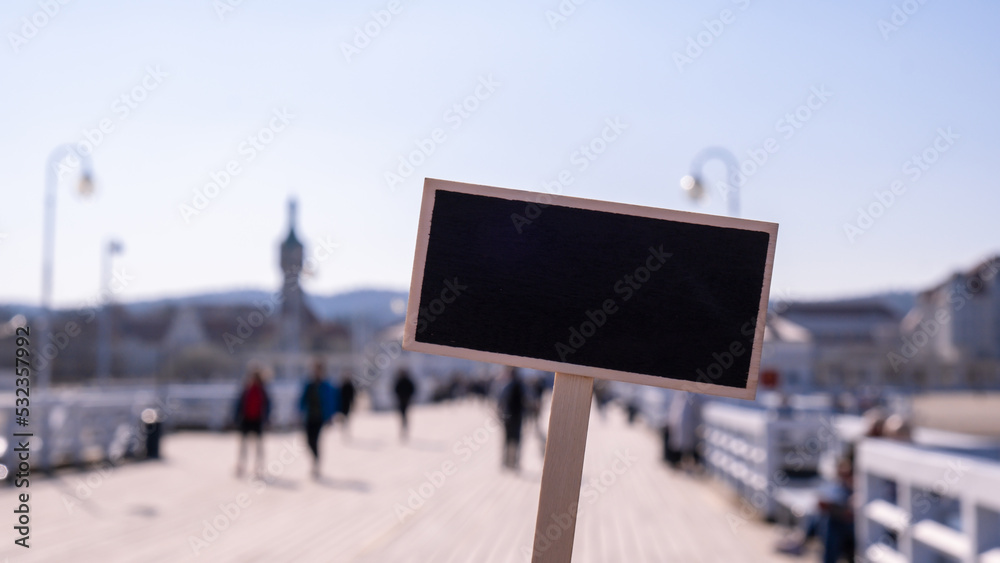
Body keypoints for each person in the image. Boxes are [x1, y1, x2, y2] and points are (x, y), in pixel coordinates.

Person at [299, 360, 338, 479]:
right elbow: (302, 399)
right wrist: (299, 412)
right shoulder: (309, 384)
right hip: (309, 416)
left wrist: (330, 417)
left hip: (320, 417)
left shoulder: (326, 385)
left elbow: (331, 402)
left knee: (316, 440)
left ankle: (316, 463)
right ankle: (315, 459)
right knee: (308, 441)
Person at [234, 364, 271, 478]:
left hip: (258, 419)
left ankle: (258, 466)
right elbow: (239, 404)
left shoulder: (263, 390)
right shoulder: (246, 389)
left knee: (258, 445)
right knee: (243, 444)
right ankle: (241, 465)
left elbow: (268, 405)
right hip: (246, 418)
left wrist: (267, 419)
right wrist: (236, 417)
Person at [499, 368, 526, 470]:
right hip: (517, 417)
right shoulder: (522, 385)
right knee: (516, 440)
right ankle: (514, 462)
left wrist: (500, 414)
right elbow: (527, 401)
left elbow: (501, 401)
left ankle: (507, 462)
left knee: (507, 439)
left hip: (509, 417)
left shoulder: (507, 386)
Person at [393, 369, 416, 442]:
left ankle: (405, 428)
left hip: (406, 401)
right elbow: (395, 390)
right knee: (402, 415)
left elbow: (412, 389)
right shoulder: (400, 381)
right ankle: (403, 428)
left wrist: (408, 397)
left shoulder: (406, 381)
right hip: (401, 401)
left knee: (404, 415)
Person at [338, 371, 356, 440]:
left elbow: (352, 395)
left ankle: (345, 429)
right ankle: (343, 429)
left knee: (346, 417)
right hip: (342, 404)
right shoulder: (342, 385)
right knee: (343, 417)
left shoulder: (350, 385)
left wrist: (352, 403)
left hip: (347, 404)